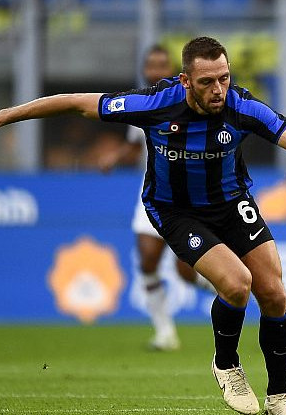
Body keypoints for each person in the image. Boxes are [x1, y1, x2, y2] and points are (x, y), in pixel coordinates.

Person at [0, 36, 286, 415]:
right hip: (176, 210)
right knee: (236, 284)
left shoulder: (242, 106)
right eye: (207, 82)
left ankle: (279, 397)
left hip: (232, 204)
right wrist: (1, 117)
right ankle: (227, 365)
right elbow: (76, 104)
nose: (218, 90)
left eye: (224, 78)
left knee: (275, 294)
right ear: (185, 81)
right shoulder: (154, 104)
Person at [98, 44, 217, 351]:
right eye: (150, 65)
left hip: (189, 196)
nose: (155, 70)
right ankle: (165, 332)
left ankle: (225, 288)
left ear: (176, 73)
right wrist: (116, 157)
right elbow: (136, 145)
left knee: (185, 269)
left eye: (161, 65)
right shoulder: (142, 103)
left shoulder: (187, 101)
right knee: (148, 260)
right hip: (152, 190)